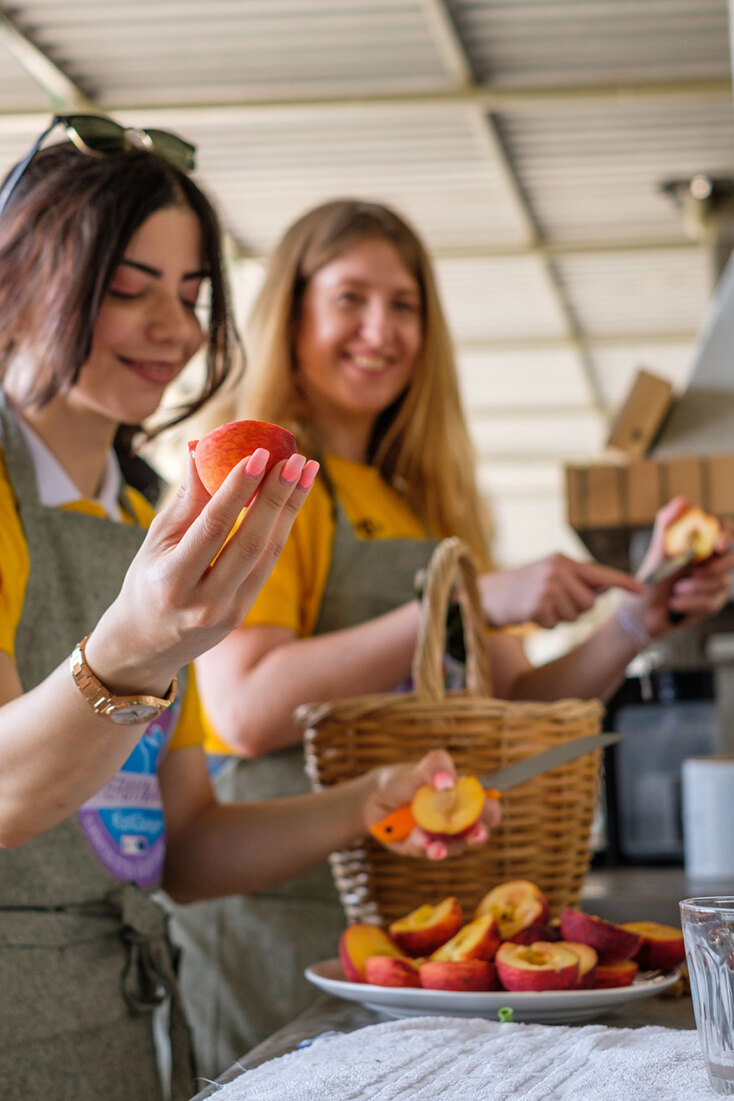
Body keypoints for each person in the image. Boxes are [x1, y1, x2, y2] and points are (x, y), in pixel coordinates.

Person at [178, 196, 734, 1072]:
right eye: (352, 298)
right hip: (276, 917)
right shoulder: (272, 486)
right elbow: (245, 706)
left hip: (412, 933)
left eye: (405, 306)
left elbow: (512, 707)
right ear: (292, 310)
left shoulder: (416, 504)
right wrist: (462, 601)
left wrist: (638, 618)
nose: (381, 329)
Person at [0, 130, 500, 1101]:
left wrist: (370, 801)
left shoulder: (147, 514)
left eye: (189, 296)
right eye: (128, 287)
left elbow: (184, 846)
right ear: (17, 280)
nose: (177, 330)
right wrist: (139, 645)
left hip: (128, 1030)